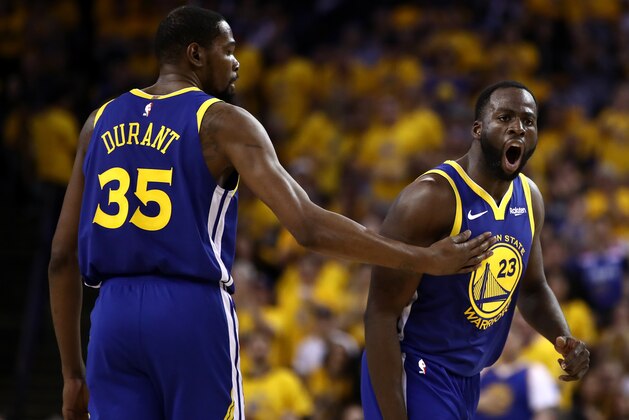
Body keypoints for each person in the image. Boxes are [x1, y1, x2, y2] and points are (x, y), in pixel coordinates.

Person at [48, 6, 495, 420]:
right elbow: (306, 225)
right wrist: (424, 259)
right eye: (228, 50)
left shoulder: (97, 122)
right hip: (189, 310)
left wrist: (72, 373)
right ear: (196, 55)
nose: (237, 62)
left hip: (111, 319)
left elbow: (61, 257)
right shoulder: (222, 121)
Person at [361, 81, 590, 420]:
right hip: (415, 367)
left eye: (529, 121)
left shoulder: (530, 198)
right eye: (505, 117)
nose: (518, 127)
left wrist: (564, 338)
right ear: (477, 129)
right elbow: (380, 314)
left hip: (469, 377)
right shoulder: (431, 198)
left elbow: (532, 288)